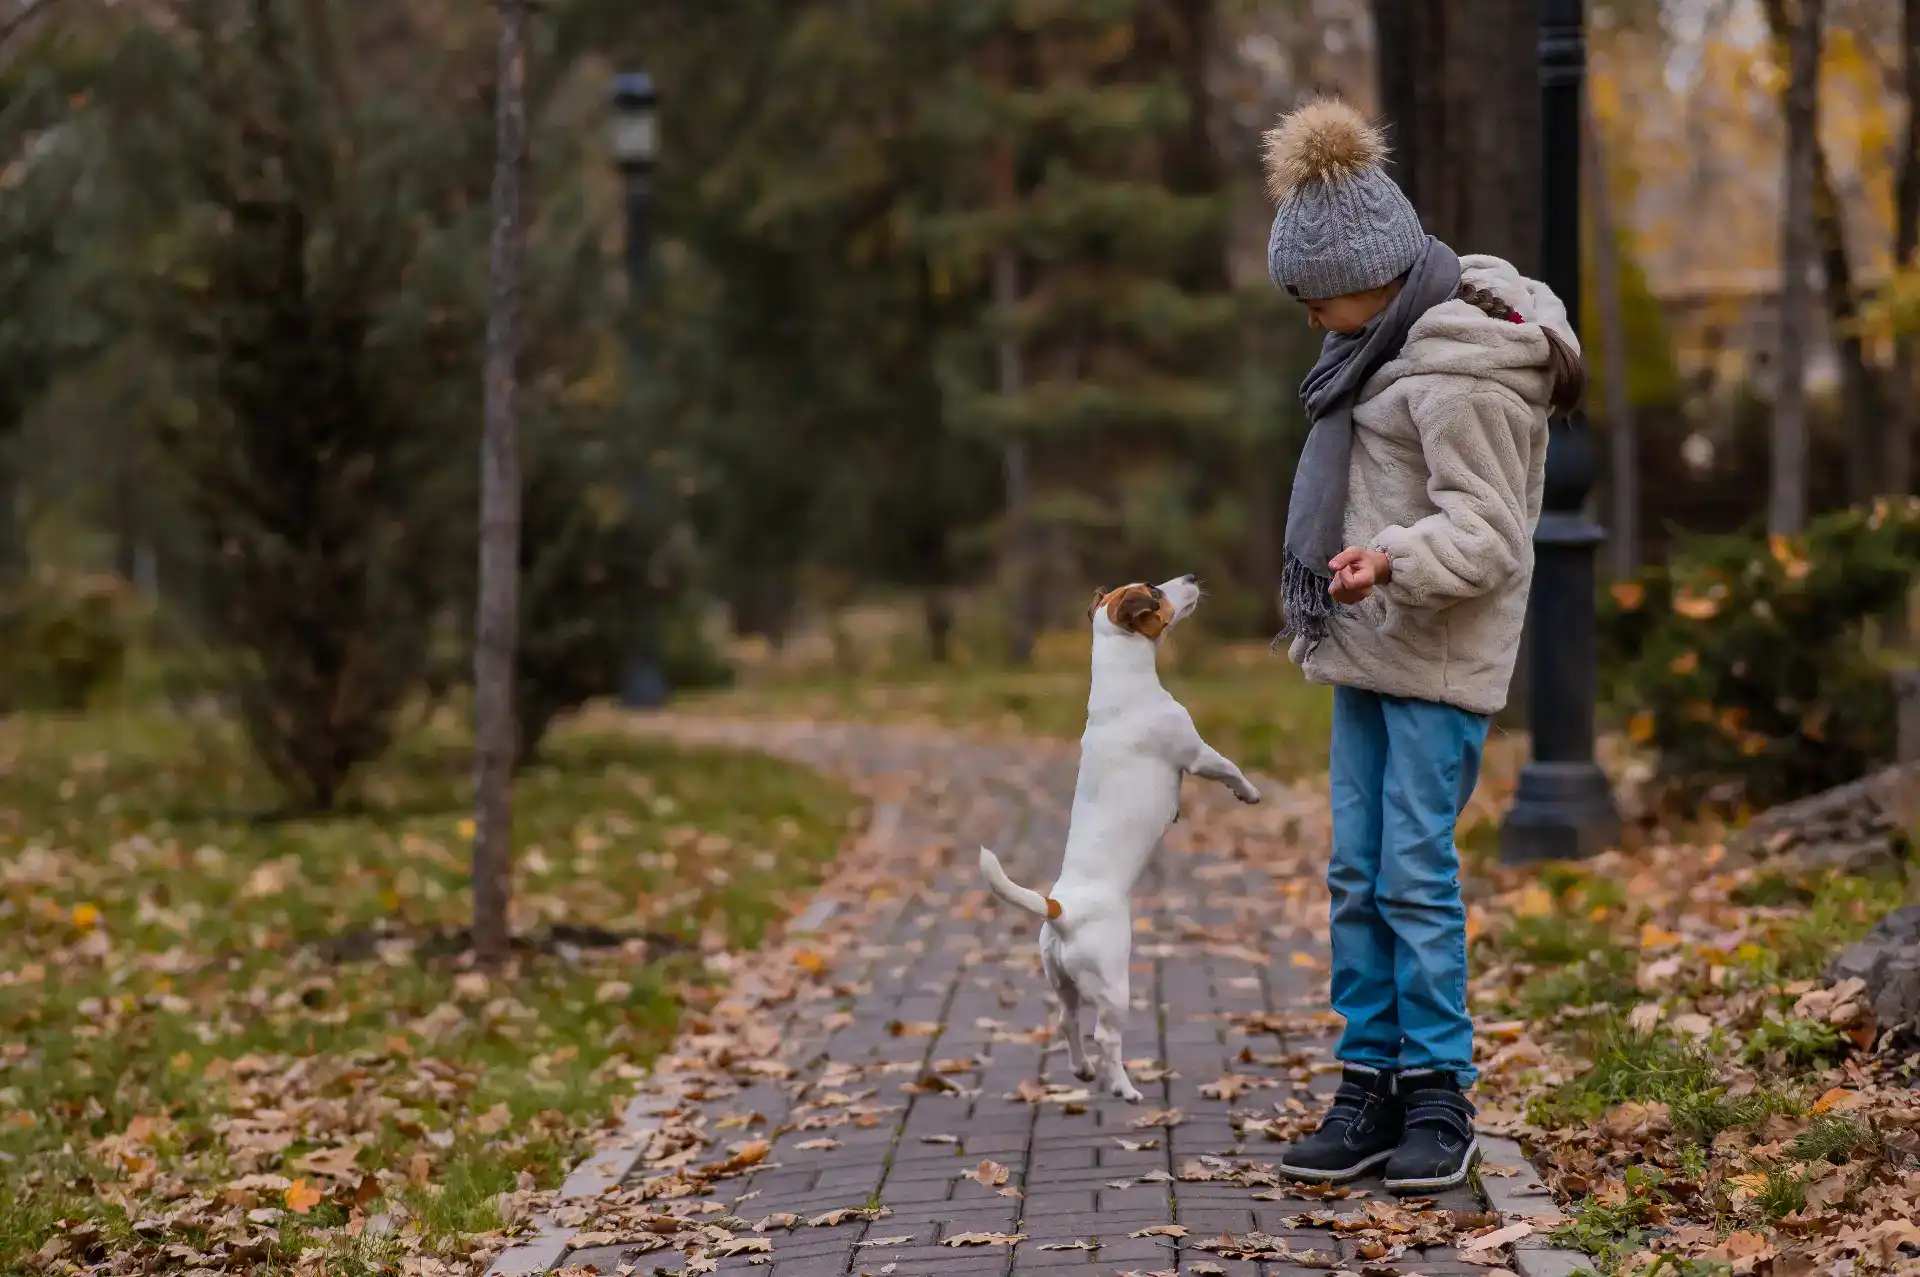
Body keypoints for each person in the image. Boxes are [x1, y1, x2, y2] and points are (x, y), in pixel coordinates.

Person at [1260, 99, 1584, 1193]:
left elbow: (1490, 534)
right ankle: (1370, 1083)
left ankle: (1438, 1090)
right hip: (1369, 647)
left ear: (1375, 276)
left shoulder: (1457, 371)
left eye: (1319, 302)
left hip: (1435, 661)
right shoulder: (1379, 351)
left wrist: (1391, 557)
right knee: (1357, 870)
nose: (1315, 324)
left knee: (1411, 870)